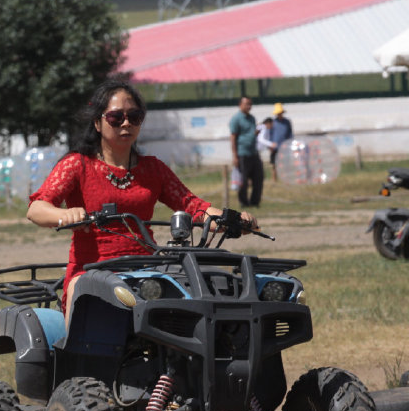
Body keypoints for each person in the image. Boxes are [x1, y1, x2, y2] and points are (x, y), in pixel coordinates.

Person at [27, 79, 256, 316]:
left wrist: (232, 220)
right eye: (116, 117)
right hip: (90, 272)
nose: (126, 123)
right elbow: (36, 208)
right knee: (83, 310)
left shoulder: (152, 169)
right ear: (97, 122)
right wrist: (65, 214)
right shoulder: (77, 164)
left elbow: (192, 205)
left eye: (134, 117)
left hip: (146, 272)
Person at [230, 96, 264, 207]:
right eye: (246, 104)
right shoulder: (236, 119)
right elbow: (233, 138)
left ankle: (255, 202)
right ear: (240, 105)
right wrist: (235, 156)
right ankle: (244, 202)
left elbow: (250, 133)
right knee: (243, 180)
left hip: (253, 152)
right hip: (242, 154)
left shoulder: (252, 118)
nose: (249, 106)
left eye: (250, 104)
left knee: (258, 177)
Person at [270, 103, 294, 182]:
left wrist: (290, 143)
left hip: (285, 146)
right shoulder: (273, 123)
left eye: (280, 113)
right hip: (275, 147)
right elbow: (270, 134)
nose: (279, 114)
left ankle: (286, 178)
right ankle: (274, 179)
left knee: (286, 163)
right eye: (278, 113)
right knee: (274, 164)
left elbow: (290, 134)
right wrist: (270, 145)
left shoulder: (287, 122)